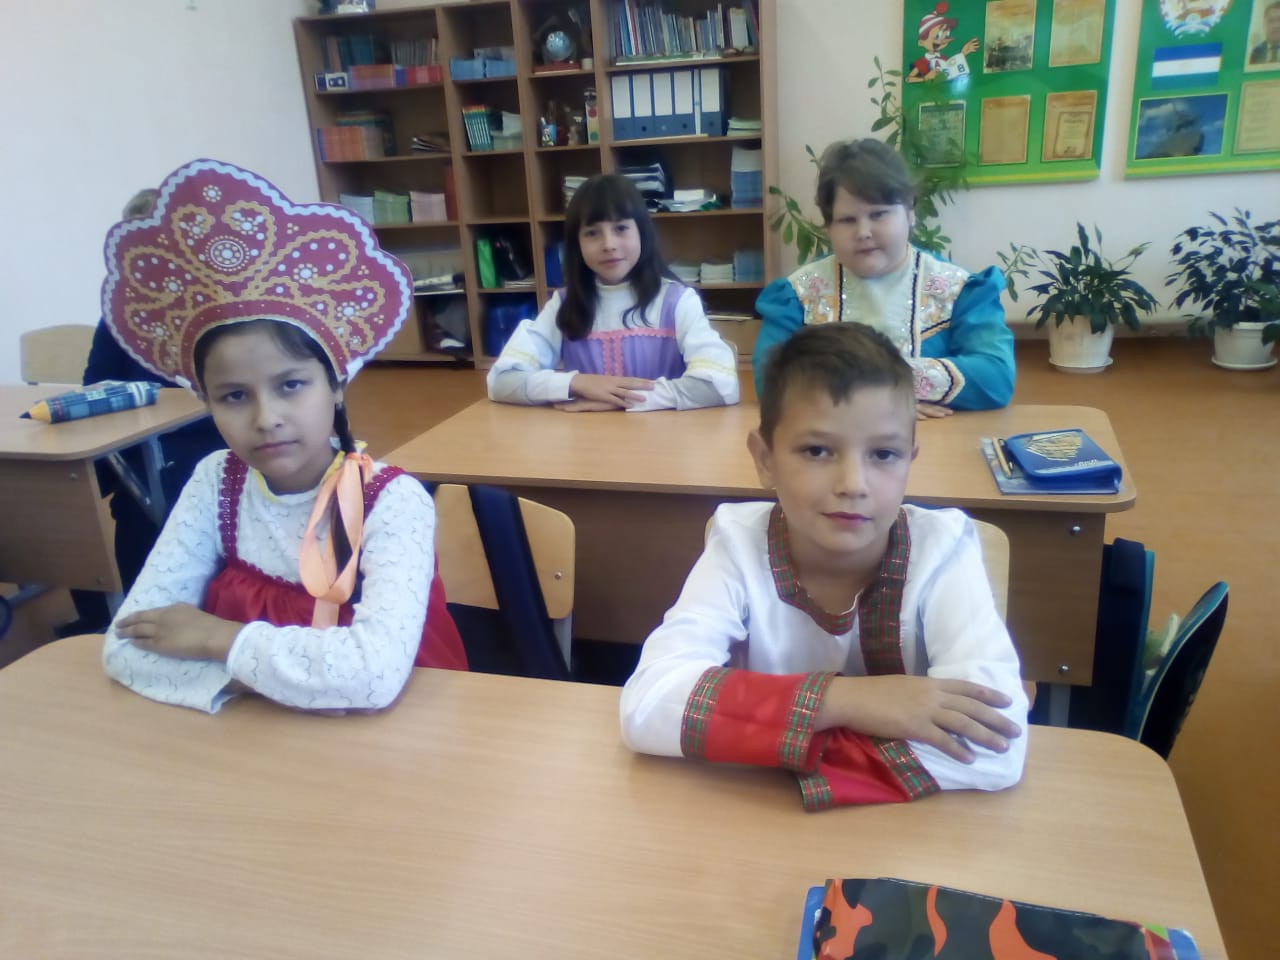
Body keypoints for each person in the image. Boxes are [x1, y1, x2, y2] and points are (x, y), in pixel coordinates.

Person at [99, 158, 468, 714]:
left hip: (392, 738)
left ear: (336, 385)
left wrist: (216, 638)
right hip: (249, 735)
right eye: (234, 396)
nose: (266, 417)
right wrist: (296, 679)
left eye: (291, 385)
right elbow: (126, 648)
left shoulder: (390, 501)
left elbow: (374, 677)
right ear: (206, 402)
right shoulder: (215, 482)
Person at [620, 322, 1027, 810]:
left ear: (910, 461)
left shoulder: (943, 549)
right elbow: (647, 705)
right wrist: (850, 702)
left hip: (905, 835)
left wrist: (760, 735)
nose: (853, 483)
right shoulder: (738, 544)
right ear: (765, 459)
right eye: (817, 451)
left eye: (884, 454)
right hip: (757, 830)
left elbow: (996, 749)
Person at [753, 139, 1015, 418]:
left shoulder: (962, 291)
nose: (863, 232)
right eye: (847, 220)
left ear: (911, 212)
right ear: (828, 226)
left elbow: (996, 376)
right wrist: (884, 400)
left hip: (935, 435)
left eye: (878, 214)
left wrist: (875, 386)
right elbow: (768, 379)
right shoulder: (797, 295)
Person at [68, 188, 226, 633]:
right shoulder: (121, 311)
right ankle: (103, 612)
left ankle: (168, 605)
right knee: (75, 487)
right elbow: (96, 382)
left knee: (147, 496)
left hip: (204, 432)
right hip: (137, 433)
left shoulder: (215, 304)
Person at [487, 174, 739, 412]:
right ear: (576, 244)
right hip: (589, 437)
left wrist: (624, 399)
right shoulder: (565, 304)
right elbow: (502, 381)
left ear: (642, 233)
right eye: (592, 233)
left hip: (667, 437)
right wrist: (577, 383)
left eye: (620, 228)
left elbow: (722, 385)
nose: (608, 244)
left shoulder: (678, 301)